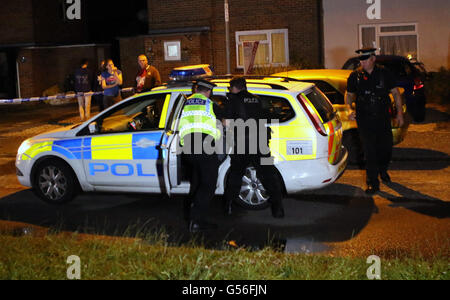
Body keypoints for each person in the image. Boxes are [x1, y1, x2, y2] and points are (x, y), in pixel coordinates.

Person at [345, 48, 404, 195]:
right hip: (365, 119)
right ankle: (372, 182)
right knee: (369, 151)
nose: (362, 62)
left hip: (383, 118)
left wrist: (399, 113)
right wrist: (349, 109)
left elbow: (396, 93)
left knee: (385, 149)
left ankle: (383, 170)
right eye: (360, 60)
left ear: (373, 59)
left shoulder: (384, 73)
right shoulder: (355, 76)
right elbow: (349, 94)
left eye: (365, 59)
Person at [224, 76, 284, 218]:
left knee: (236, 174)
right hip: (262, 144)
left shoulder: (232, 101)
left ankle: (228, 206)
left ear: (234, 88)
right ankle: (278, 209)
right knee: (270, 175)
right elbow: (268, 115)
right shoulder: (257, 99)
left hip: (242, 145)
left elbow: (226, 122)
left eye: (230, 88)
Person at [179, 79, 224, 233]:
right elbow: (226, 123)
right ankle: (196, 221)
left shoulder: (184, 102)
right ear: (209, 92)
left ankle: (194, 216)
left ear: (196, 89)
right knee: (208, 185)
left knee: (198, 181)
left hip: (188, 149)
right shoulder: (210, 104)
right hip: (205, 147)